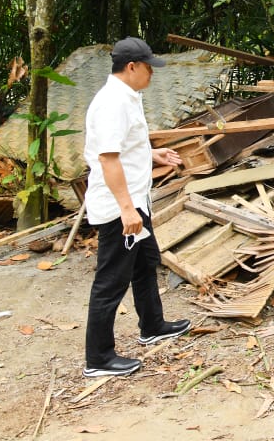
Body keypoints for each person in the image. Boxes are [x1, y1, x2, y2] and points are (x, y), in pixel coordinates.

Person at [82, 37, 190, 377]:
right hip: (120, 207)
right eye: (148, 68)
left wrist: (152, 154)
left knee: (145, 264)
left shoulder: (128, 97)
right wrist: (127, 210)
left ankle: (152, 325)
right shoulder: (113, 102)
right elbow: (108, 158)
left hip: (134, 200)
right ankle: (98, 358)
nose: (151, 75)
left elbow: (125, 146)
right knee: (111, 280)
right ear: (132, 67)